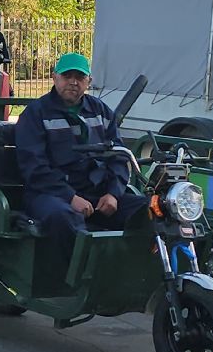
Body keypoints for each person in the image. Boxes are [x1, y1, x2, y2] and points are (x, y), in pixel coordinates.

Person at [11, 52, 146, 254]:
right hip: (49, 194)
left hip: (97, 194)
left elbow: (118, 155)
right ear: (55, 77)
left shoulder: (101, 111)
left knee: (151, 210)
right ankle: (76, 280)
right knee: (63, 217)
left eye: (80, 77)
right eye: (67, 76)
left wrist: (113, 194)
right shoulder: (36, 113)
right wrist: (70, 197)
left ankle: (137, 274)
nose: (73, 82)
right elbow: (34, 167)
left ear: (88, 81)